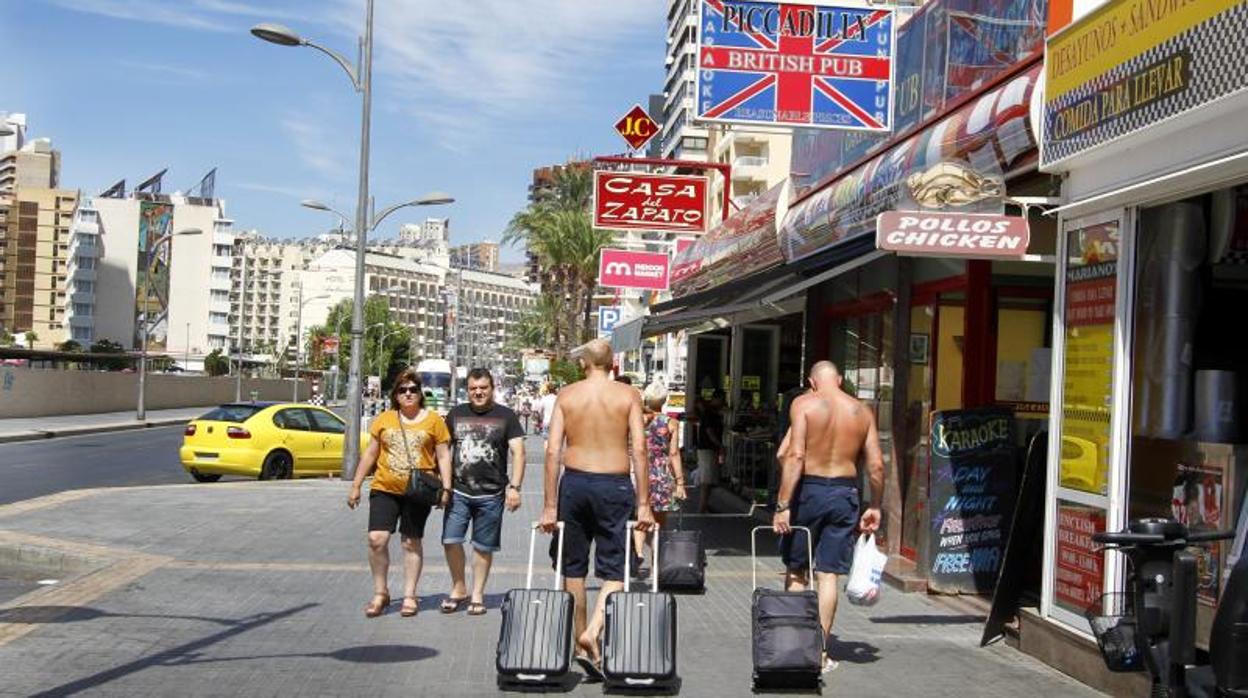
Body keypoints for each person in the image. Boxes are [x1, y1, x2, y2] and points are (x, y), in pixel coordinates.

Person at [539, 339, 654, 681]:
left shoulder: (568, 395)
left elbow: (551, 452)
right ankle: (594, 630)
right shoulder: (627, 396)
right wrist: (645, 503)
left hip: (573, 485)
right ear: (613, 365)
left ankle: (579, 644)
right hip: (614, 485)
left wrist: (548, 506)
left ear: (583, 364)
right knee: (617, 567)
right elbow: (641, 449)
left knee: (572, 567)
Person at [773, 360, 884, 672]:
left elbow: (791, 455)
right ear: (840, 380)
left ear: (812, 382)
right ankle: (819, 653)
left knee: (796, 571)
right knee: (828, 575)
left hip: (808, 488)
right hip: (844, 492)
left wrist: (783, 505)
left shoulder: (804, 404)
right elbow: (876, 465)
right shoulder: (862, 411)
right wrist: (874, 505)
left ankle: (794, 649)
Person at [348, 369, 452, 618]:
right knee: (376, 539)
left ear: (420, 394)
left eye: (413, 390)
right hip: (385, 487)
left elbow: (443, 455)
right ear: (395, 394)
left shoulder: (434, 421)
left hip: (418, 491)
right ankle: (380, 592)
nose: (408, 394)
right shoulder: (384, 419)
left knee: (410, 542)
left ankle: (409, 595)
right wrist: (356, 485)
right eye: (402, 390)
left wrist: (447, 488)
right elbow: (371, 454)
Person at [440, 368, 526, 616]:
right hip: (459, 491)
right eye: (473, 388)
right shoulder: (456, 414)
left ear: (492, 388)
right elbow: (443, 451)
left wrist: (515, 488)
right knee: (450, 540)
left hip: (492, 494)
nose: (478, 392)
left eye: (483, 388)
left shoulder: (506, 416)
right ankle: (459, 588)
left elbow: (518, 452)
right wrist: (442, 484)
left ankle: (477, 594)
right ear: (467, 390)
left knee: (482, 547)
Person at [633, 381, 686, 574]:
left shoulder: (638, 420)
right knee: (659, 520)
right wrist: (680, 482)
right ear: (665, 400)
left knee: (640, 514)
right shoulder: (671, 423)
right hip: (661, 474)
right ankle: (656, 558)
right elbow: (673, 454)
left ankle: (638, 553)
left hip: (638, 472)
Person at [695, 389, 725, 513]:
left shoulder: (712, 412)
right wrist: (719, 445)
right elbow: (709, 431)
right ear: (717, 399)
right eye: (722, 400)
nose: (723, 403)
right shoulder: (709, 413)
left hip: (710, 448)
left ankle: (705, 504)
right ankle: (702, 507)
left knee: (710, 479)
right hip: (707, 448)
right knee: (706, 480)